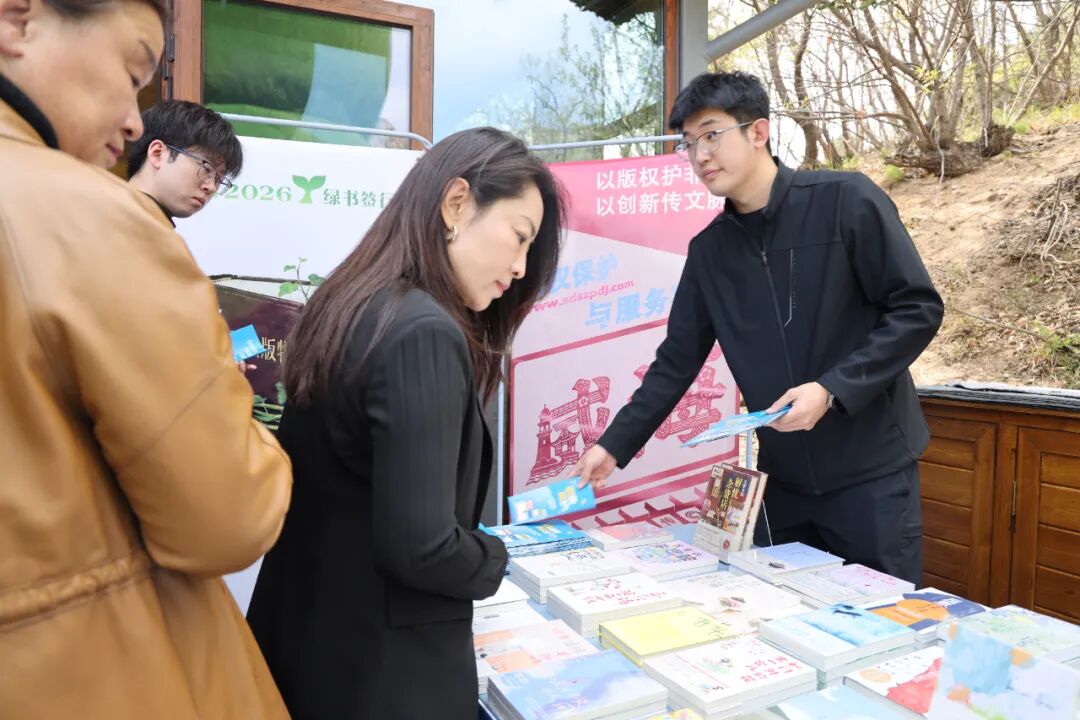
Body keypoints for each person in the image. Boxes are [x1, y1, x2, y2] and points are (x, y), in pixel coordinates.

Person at [0, 1, 292, 717]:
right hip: (99, 669)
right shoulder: (88, 215)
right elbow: (228, 515)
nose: (133, 122)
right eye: (132, 72)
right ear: (17, 18)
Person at [575, 71, 944, 586]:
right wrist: (613, 445)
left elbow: (916, 308)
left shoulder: (845, 200)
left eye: (711, 134)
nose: (700, 155)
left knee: (884, 616)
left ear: (758, 132)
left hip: (871, 476)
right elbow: (676, 362)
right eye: (688, 143)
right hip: (784, 484)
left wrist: (832, 389)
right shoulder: (710, 252)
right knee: (789, 615)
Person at [246, 126, 564, 719]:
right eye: (519, 237)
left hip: (310, 647)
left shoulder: (350, 303)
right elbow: (423, 548)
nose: (521, 267)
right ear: (456, 204)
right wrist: (497, 557)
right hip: (385, 676)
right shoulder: (423, 333)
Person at [127, 99, 243, 226]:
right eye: (206, 168)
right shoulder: (125, 221)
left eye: (218, 180)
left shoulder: (151, 226)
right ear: (157, 154)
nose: (211, 187)